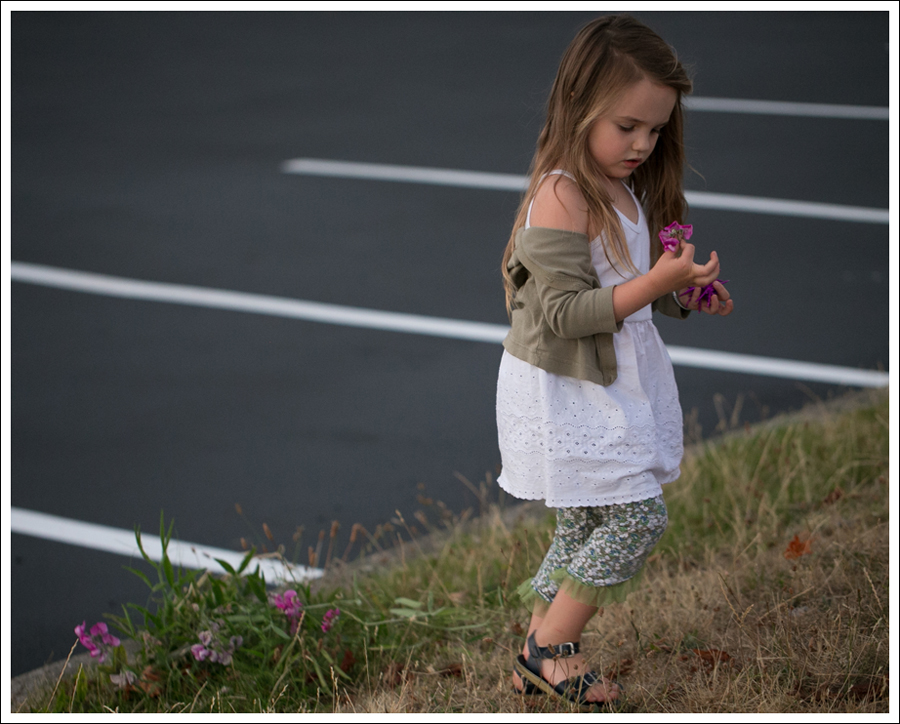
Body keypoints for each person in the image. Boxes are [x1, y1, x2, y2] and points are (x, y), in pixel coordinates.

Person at [497, 15, 733, 707]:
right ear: (580, 106)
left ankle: (531, 651)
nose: (642, 143)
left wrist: (684, 292)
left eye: (656, 130)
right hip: (568, 383)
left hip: (607, 377)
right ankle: (552, 650)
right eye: (627, 125)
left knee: (590, 519)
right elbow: (565, 312)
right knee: (636, 516)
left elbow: (630, 284)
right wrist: (654, 285)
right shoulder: (562, 193)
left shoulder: (625, 189)